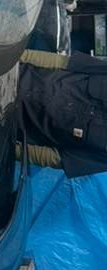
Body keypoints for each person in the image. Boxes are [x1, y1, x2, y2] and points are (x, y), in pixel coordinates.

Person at [19, 48, 107, 176]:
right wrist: (16, 58)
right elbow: (62, 62)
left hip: (6, 122)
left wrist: (5, 147)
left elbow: (55, 157)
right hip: (16, 73)